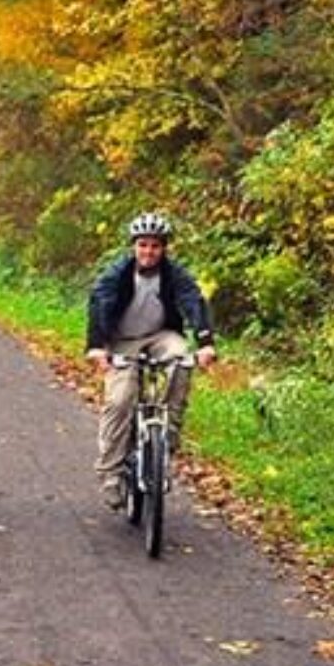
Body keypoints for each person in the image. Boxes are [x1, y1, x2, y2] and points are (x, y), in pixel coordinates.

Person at [85, 212, 216, 509]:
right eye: (143, 245)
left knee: (182, 361)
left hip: (160, 336)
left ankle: (165, 440)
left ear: (164, 248)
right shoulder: (117, 274)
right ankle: (111, 474)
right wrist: (96, 347)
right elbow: (98, 303)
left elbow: (194, 302)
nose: (149, 251)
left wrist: (206, 343)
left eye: (155, 246)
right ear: (134, 246)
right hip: (122, 340)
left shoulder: (174, 274)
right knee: (120, 400)